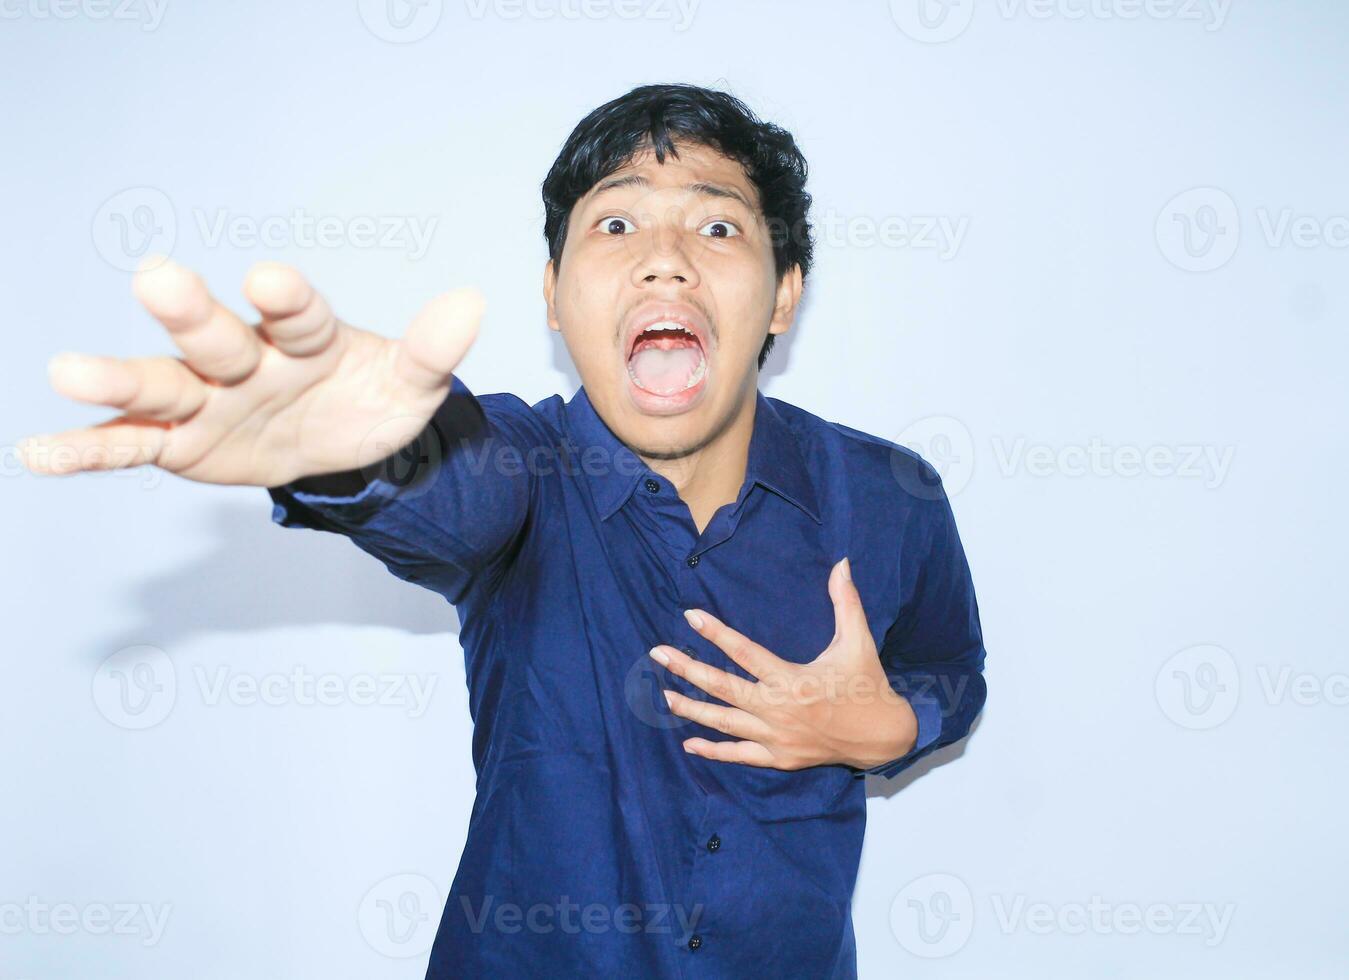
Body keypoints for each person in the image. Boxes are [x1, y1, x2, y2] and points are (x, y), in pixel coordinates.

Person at [21, 83, 988, 978]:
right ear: (556, 294)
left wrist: (889, 725)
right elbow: (451, 489)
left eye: (717, 224)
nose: (666, 257)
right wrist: (345, 452)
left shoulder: (889, 495)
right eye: (616, 223)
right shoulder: (519, 472)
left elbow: (955, 670)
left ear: (783, 290)